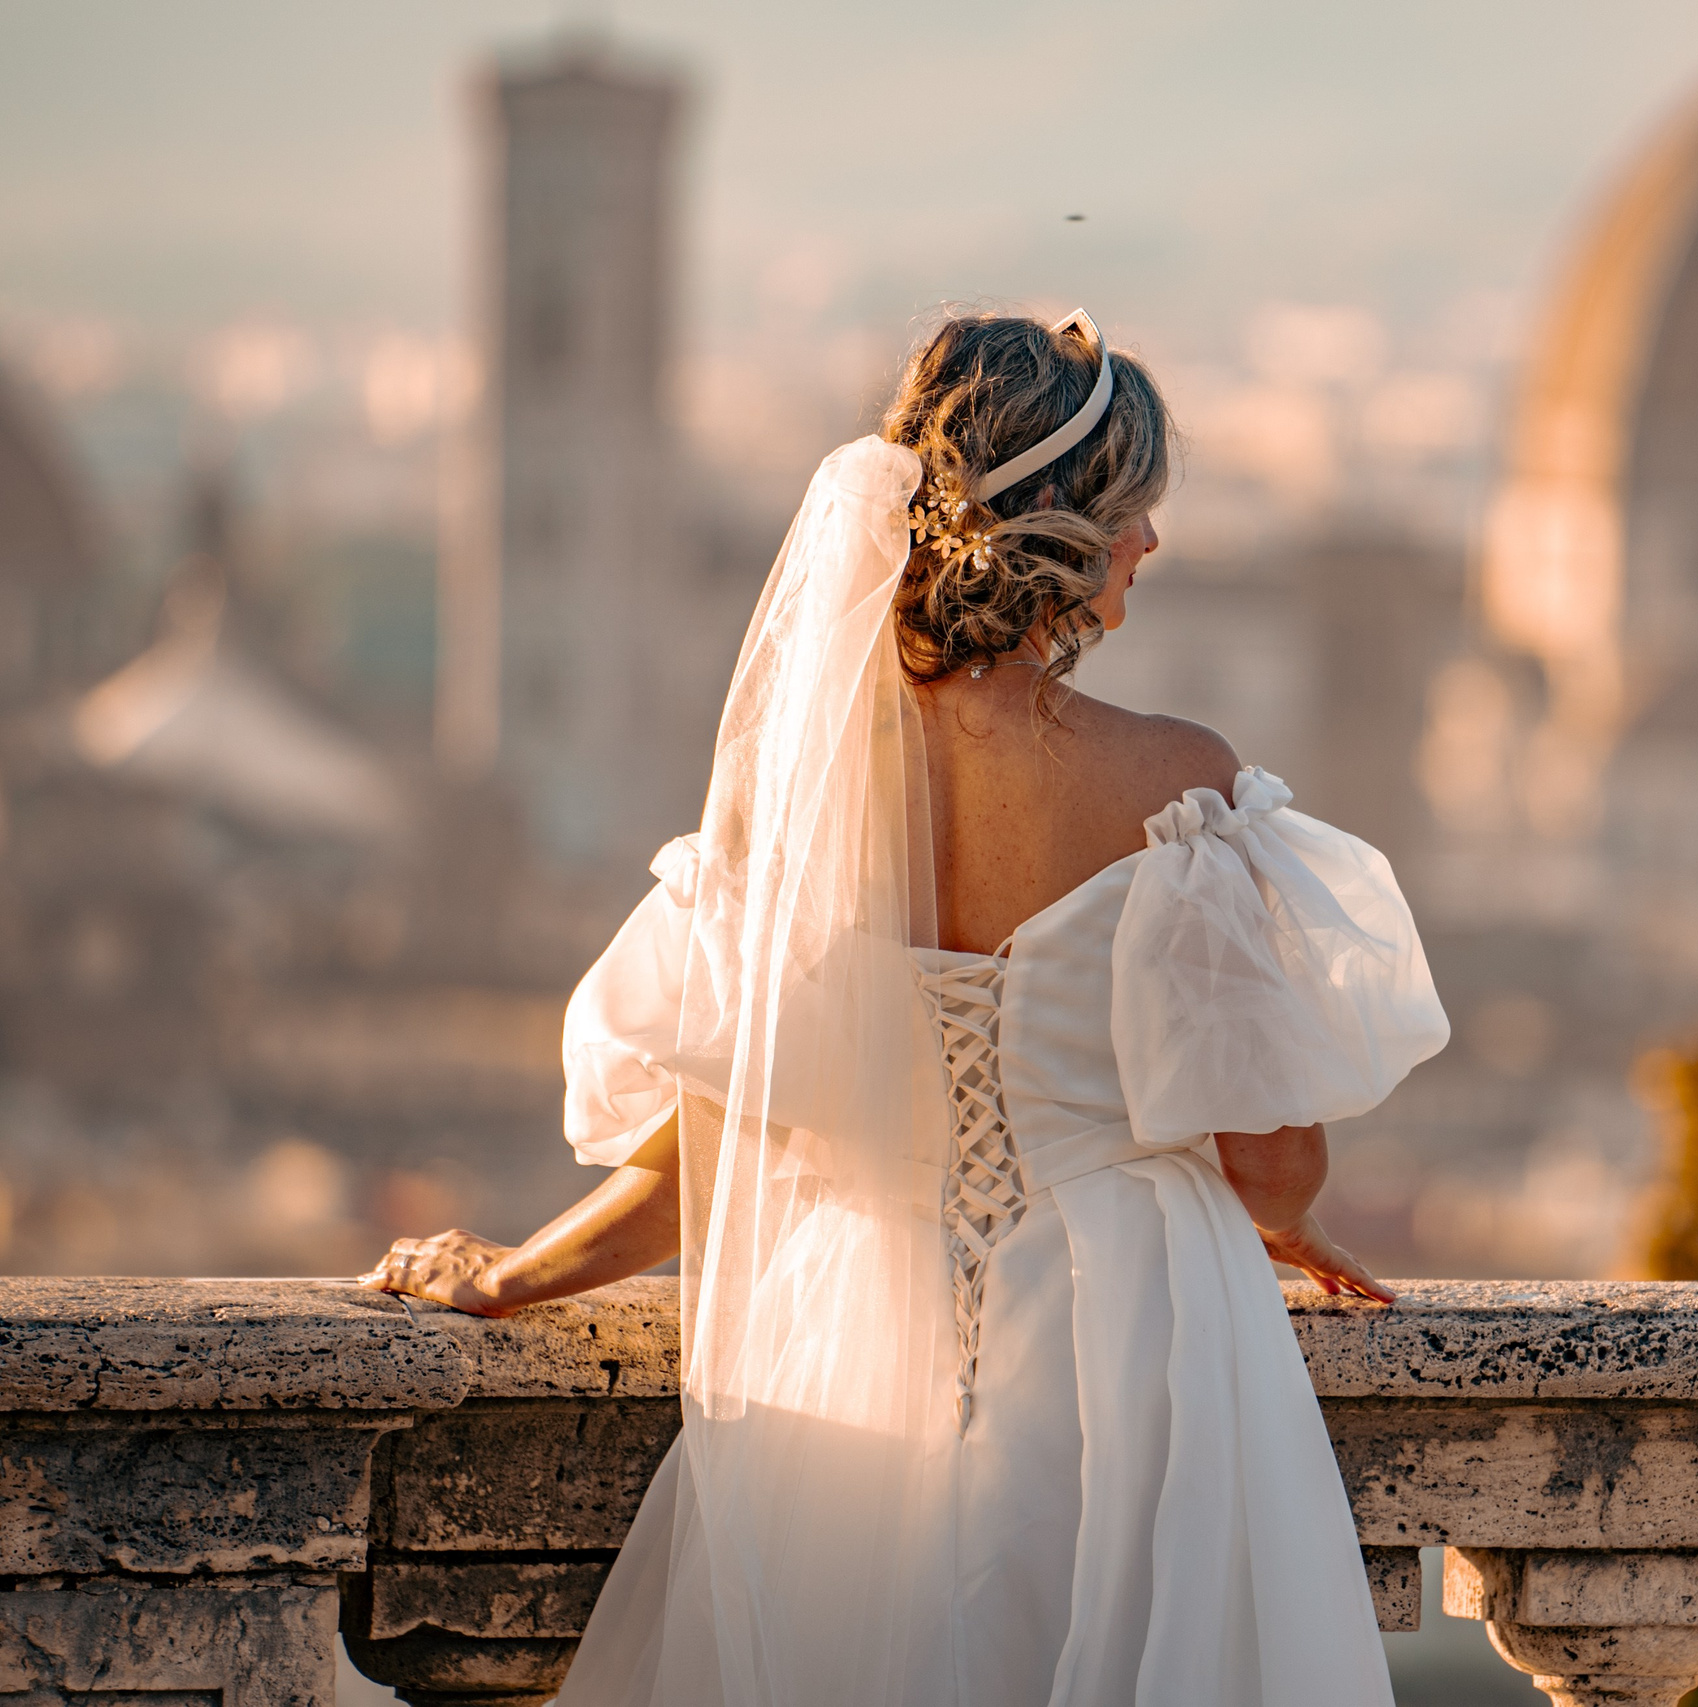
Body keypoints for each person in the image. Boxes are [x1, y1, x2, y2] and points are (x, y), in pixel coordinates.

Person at [361, 310, 1448, 1707]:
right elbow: (1273, 1164)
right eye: (1133, 510)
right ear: (1065, 530)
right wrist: (1281, 1216)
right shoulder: (1178, 785)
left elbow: (724, 1138)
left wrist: (512, 1276)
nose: (1151, 542)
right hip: (1136, 1332)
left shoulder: (806, 798)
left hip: (851, 1329)